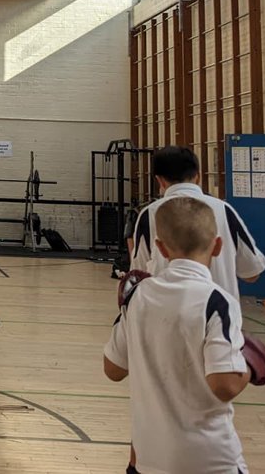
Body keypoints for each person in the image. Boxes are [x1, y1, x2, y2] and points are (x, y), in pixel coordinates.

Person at [103, 197, 252, 474]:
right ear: (218, 246)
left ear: (160, 247)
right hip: (209, 460)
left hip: (148, 458)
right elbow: (225, 385)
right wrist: (249, 369)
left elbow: (113, 369)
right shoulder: (218, 301)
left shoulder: (137, 296)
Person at [129, 146, 265, 300]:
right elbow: (252, 273)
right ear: (198, 176)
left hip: (166, 315)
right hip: (220, 314)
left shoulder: (150, 214)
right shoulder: (224, 210)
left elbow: (138, 275)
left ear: (159, 180)